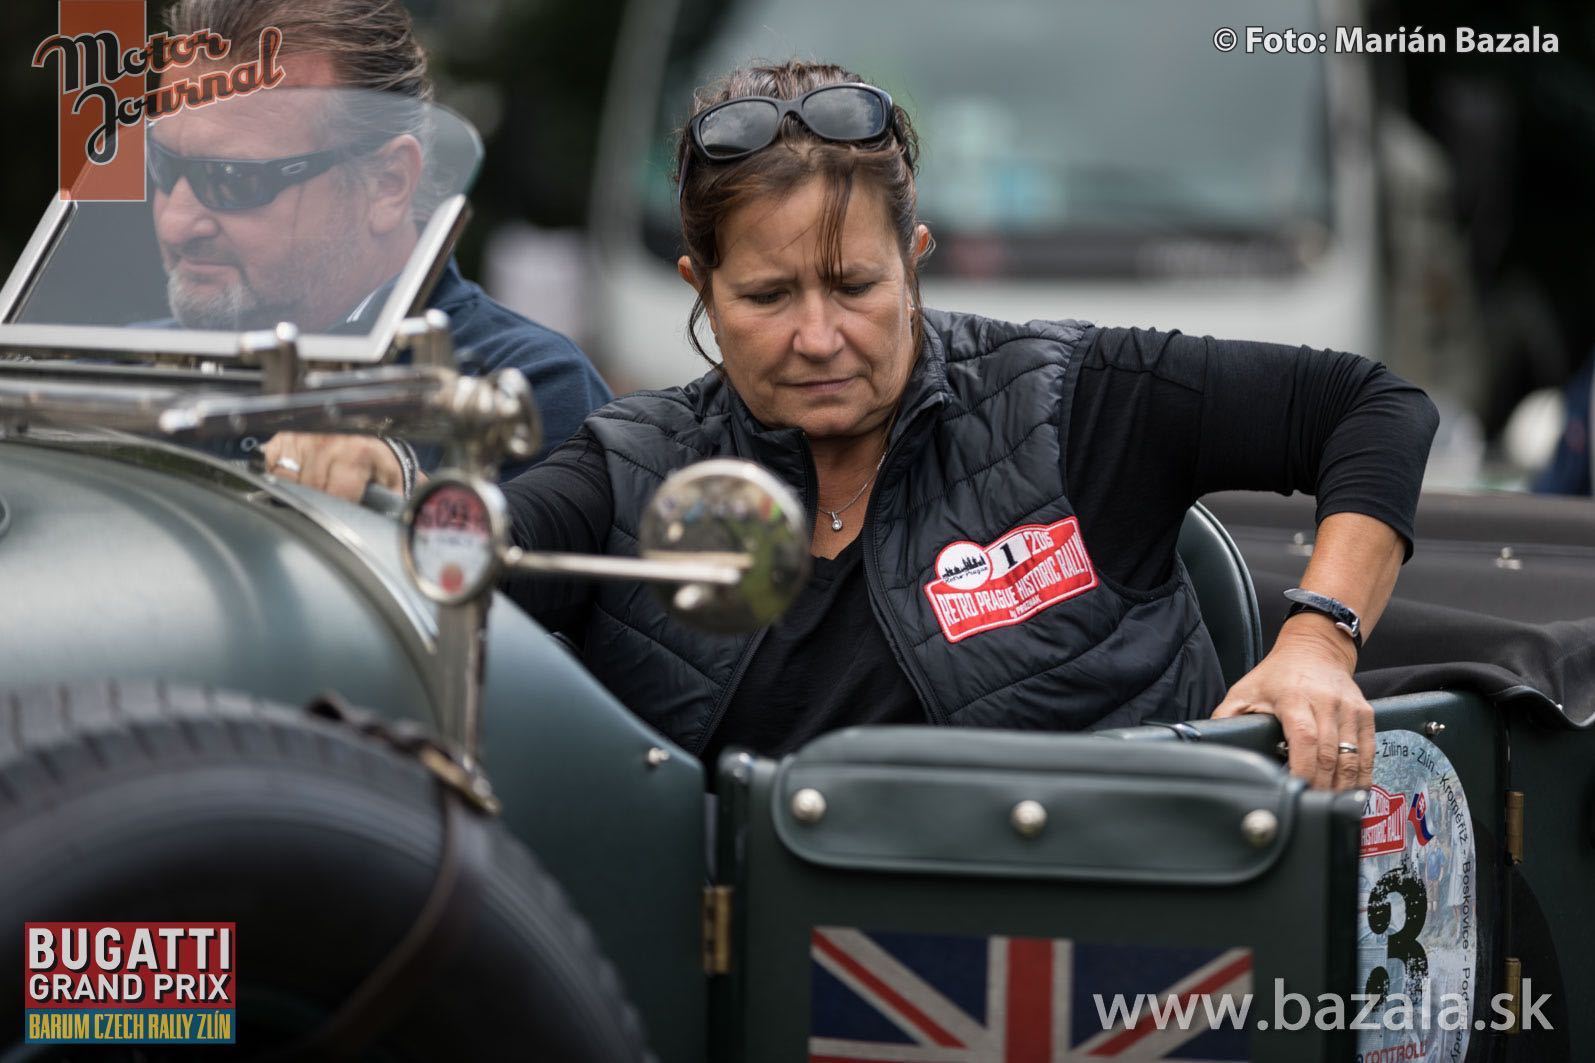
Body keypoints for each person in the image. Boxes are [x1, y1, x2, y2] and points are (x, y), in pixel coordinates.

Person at [510, 61, 1434, 790]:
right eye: (766, 296)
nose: (818, 336)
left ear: (913, 259)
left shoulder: (1066, 395)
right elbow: (461, 559)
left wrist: (1317, 643)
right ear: (700, 290)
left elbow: (1368, 406)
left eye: (854, 285)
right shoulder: (630, 467)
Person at [152, 0, 611, 487]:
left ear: (388, 183)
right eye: (162, 166)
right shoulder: (120, 363)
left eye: (233, 179)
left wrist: (402, 483)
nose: (175, 224)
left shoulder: (525, 393)